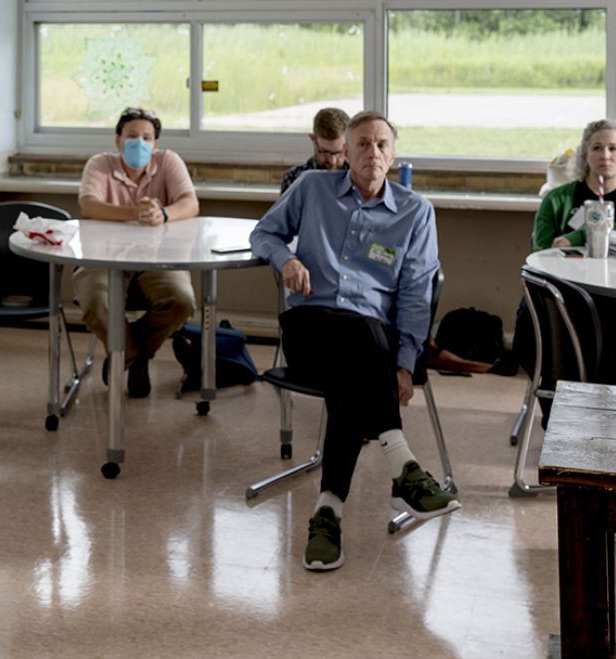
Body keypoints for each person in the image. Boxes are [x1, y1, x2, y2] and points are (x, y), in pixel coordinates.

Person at [250, 111, 458, 572]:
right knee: (362, 337)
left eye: (383, 145)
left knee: (356, 366)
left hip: (371, 346)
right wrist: (285, 258)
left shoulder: (415, 211)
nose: (373, 153)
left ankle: (327, 514)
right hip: (311, 327)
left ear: (394, 154)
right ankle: (401, 462)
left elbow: (416, 295)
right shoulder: (311, 189)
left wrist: (404, 364)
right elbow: (262, 233)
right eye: (363, 144)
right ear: (345, 150)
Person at [516, 119, 616, 397]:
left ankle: (605, 405)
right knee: (529, 328)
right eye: (597, 147)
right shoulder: (556, 200)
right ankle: (554, 407)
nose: (605, 155)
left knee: (615, 332)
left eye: (613, 148)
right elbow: (543, 251)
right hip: (563, 295)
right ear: (585, 154)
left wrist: (576, 238)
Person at [75, 106, 199, 398]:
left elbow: (190, 203)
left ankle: (129, 354)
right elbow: (88, 206)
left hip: (156, 258)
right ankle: (134, 356)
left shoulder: (168, 161)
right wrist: (134, 213)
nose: (139, 143)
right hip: (101, 258)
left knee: (182, 301)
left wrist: (163, 215)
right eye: (132, 136)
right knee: (94, 301)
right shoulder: (100, 164)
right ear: (117, 139)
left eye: (147, 137)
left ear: (155, 144)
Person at [279, 106, 350, 195]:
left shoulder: (360, 178)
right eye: (325, 152)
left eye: (339, 152)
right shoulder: (294, 178)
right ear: (313, 139)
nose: (332, 161)